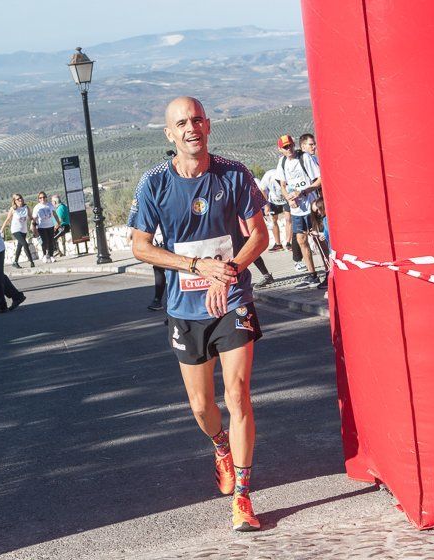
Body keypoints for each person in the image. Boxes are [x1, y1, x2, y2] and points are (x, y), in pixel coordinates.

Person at [130, 96, 268, 532]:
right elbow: (140, 246)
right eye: (181, 123)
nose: (192, 128)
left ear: (208, 125)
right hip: (185, 307)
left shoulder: (234, 174)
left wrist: (227, 272)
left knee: (238, 392)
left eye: (197, 120)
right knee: (200, 404)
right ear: (169, 134)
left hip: (231, 298)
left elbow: (259, 235)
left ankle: (243, 497)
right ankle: (220, 446)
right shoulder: (154, 183)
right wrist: (195, 267)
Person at [277, 134, 323, 289]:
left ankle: (329, 271)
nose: (289, 149)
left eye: (290, 145)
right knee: (302, 240)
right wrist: (288, 199)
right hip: (296, 209)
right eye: (285, 147)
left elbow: (319, 179)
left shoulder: (305, 159)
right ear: (280, 149)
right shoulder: (282, 162)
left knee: (319, 239)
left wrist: (303, 192)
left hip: (311, 205)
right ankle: (312, 275)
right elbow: (283, 185)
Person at [257, 168, 291, 253]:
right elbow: (262, 189)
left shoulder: (286, 173)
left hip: (287, 197)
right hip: (273, 199)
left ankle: (288, 243)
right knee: (274, 221)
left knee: (288, 219)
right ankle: (278, 244)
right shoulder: (269, 175)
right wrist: (266, 205)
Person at [1, 193, 36, 268]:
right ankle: (31, 262)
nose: (20, 199)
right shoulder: (13, 209)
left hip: (24, 230)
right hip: (15, 230)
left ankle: (15, 262)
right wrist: (1, 230)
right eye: (17, 199)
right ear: (14, 201)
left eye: (20, 198)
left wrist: (34, 223)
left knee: (19, 246)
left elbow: (30, 217)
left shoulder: (26, 207)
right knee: (25, 244)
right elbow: (7, 219)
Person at [32, 191, 61, 262]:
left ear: (46, 198)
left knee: (51, 241)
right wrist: (33, 228)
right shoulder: (37, 207)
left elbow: (55, 214)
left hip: (50, 226)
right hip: (41, 227)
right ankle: (45, 255)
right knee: (44, 242)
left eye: (44, 197)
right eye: (40, 198)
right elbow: (34, 219)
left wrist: (58, 223)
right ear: (38, 199)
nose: (42, 199)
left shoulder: (50, 205)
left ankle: (51, 256)